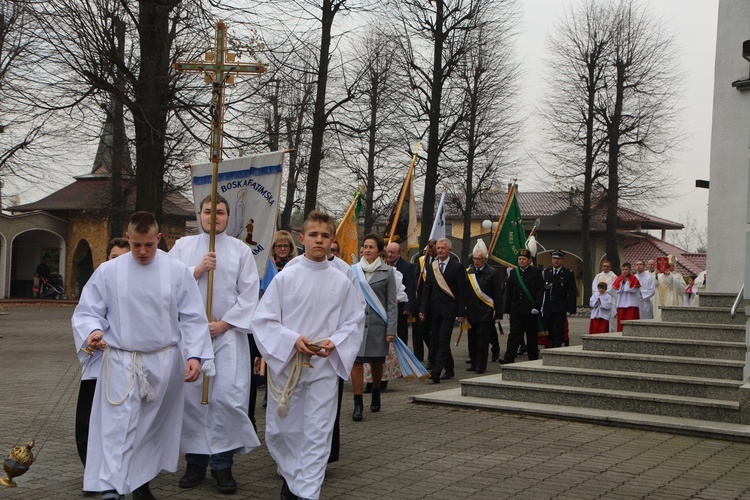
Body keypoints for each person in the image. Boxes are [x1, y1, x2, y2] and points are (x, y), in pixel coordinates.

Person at [71, 211, 213, 500]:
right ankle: (111, 489)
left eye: (149, 244)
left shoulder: (176, 271)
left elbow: (193, 317)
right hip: (121, 362)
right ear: (128, 237)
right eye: (136, 245)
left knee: (148, 430)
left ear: (158, 238)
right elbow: (88, 311)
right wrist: (93, 332)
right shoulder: (109, 271)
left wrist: (195, 356)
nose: (143, 251)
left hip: (163, 363)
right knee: (117, 427)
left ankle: (139, 482)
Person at [251, 210, 365, 500]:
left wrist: (335, 341)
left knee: (318, 433)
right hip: (288, 367)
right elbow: (264, 320)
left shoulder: (341, 280)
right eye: (313, 235)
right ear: (302, 239)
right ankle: (292, 480)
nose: (319, 240)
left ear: (332, 241)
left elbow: (354, 321)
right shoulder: (286, 277)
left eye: (325, 236)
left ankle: (306, 492)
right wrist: (291, 340)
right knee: (282, 432)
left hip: (323, 368)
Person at [169, 195, 260, 494]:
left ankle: (222, 465)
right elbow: (167, 285)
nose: (214, 217)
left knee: (226, 398)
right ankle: (195, 462)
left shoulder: (239, 251)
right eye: (208, 212)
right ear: (200, 215)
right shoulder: (183, 246)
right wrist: (196, 270)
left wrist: (223, 324)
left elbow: (249, 294)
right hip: (192, 336)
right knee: (193, 398)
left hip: (227, 334)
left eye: (220, 213)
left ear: (227, 217)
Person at [75, 238, 130, 472]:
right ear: (106, 259)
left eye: (123, 258)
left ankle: (124, 469)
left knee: (122, 423)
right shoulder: (100, 281)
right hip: (98, 365)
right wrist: (93, 332)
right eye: (113, 257)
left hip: (128, 365)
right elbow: (86, 312)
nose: (117, 262)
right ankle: (91, 470)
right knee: (88, 422)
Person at [351, 234, 397, 420]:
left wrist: (391, 330)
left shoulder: (388, 272)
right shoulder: (352, 271)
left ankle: (376, 392)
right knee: (357, 362)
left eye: (371, 247)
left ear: (379, 251)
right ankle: (357, 402)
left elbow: (391, 303)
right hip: (357, 325)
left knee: (377, 362)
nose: (367, 250)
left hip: (378, 325)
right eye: (365, 246)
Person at [419, 238, 467, 383]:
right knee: (436, 339)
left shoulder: (457, 266)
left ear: (449, 250)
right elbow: (427, 289)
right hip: (434, 310)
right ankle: (450, 368)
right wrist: (423, 308)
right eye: (438, 248)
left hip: (449, 310)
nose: (439, 250)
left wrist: (461, 313)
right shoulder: (432, 266)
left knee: (443, 339)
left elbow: (461, 291)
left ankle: (436, 371)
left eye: (442, 248)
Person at [464, 240, 503, 374]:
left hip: (486, 312)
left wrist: (498, 313)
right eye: (474, 259)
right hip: (471, 311)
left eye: (479, 259)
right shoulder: (469, 272)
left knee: (482, 340)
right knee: (472, 339)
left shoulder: (493, 273)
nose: (476, 261)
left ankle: (481, 365)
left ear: (485, 260)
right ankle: (473, 362)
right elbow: (465, 292)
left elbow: (498, 294)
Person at [500, 249, 543, 365]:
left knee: (531, 335)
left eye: (524, 259)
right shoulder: (514, 273)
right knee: (514, 334)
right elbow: (510, 292)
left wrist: (537, 306)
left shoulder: (536, 272)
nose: (521, 261)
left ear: (529, 261)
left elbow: (540, 290)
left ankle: (533, 358)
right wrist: (507, 309)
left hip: (530, 310)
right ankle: (509, 358)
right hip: (516, 309)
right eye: (519, 259)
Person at [541, 249, 577, 348]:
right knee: (548, 325)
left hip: (560, 304)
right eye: (554, 258)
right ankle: (549, 342)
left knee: (558, 326)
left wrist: (571, 307)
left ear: (562, 260)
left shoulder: (568, 273)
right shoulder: (546, 272)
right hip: (548, 304)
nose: (556, 260)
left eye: (558, 258)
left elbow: (572, 291)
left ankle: (557, 343)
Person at [414, 240, 438, 363]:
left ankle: (433, 357)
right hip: (424, 301)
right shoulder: (422, 261)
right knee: (422, 330)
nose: (432, 254)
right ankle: (434, 352)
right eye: (430, 251)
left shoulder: (441, 262)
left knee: (435, 333)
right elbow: (418, 278)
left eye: (434, 251)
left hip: (437, 303)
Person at [612, 262, 641, 332]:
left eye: (626, 269)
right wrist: (623, 282)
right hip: (621, 304)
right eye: (623, 269)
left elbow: (632, 290)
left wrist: (626, 282)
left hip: (631, 304)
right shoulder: (619, 278)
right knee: (621, 324)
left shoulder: (634, 278)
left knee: (631, 323)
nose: (624, 271)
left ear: (630, 270)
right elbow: (618, 291)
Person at [592, 260, 618, 331]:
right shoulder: (598, 276)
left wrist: (603, 293)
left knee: (608, 317)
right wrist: (599, 294)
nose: (605, 267)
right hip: (598, 299)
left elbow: (612, 287)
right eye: (604, 266)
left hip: (609, 298)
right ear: (602, 267)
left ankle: (609, 331)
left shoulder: (614, 277)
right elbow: (594, 287)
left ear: (610, 267)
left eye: (607, 266)